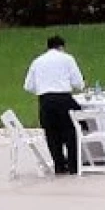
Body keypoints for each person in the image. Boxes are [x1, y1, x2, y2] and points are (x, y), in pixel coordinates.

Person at [23, 34, 86, 175]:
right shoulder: (67, 59)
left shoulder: (37, 61)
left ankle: (59, 165)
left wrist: (42, 88)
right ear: (61, 47)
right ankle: (73, 165)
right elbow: (78, 83)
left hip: (45, 100)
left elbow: (28, 86)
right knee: (71, 131)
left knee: (52, 133)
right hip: (63, 98)